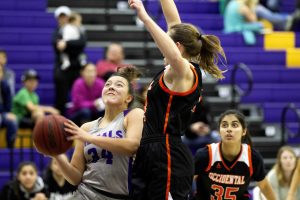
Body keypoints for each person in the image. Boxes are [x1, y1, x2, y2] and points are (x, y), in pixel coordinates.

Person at [128, 0, 226, 199]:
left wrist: (144, 16)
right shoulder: (175, 70)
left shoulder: (185, 71)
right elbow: (173, 22)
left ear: (178, 47)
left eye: (168, 41)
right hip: (150, 149)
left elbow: (173, 53)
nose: (163, 46)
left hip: (167, 153)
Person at [50, 66, 144, 199]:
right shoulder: (87, 128)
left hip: (118, 196)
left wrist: (90, 138)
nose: (111, 87)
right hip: (85, 194)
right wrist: (57, 155)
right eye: (108, 84)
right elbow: (75, 177)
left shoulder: (133, 115)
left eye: (119, 85)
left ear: (128, 98)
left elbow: (132, 146)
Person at [194, 110, 276, 200]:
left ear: (244, 131)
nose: (229, 129)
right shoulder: (205, 155)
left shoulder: (252, 157)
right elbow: (187, 180)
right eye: (224, 125)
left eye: (234, 125)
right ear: (219, 131)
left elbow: (263, 185)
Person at [53, 6, 87, 115]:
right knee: (61, 98)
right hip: (63, 69)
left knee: (78, 96)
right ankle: (59, 121)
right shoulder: (57, 32)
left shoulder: (79, 30)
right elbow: (57, 46)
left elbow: (81, 43)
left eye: (65, 17)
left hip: (76, 68)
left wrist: (67, 44)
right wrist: (72, 46)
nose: (63, 19)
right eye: (60, 17)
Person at [0, 64, 18, 148]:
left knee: (13, 121)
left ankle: (10, 149)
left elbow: (8, 105)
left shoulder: (5, 85)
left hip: (2, 114)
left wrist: (7, 113)